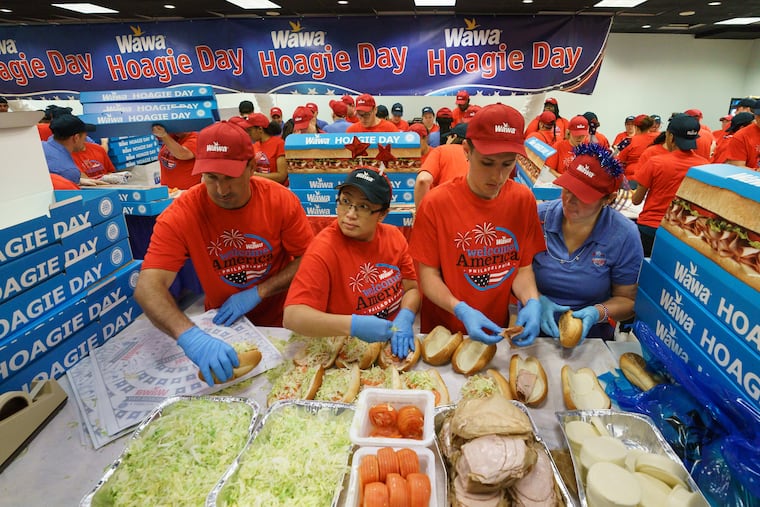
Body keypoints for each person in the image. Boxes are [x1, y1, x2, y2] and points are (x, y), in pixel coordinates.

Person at [134, 120, 314, 386]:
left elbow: (307, 258)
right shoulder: (181, 214)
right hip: (223, 327)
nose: (221, 190)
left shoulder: (280, 200)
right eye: (211, 178)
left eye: (230, 178)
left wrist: (260, 291)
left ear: (252, 167)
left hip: (282, 321)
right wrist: (189, 336)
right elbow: (148, 288)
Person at [409, 103, 544, 346]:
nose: (497, 177)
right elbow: (428, 277)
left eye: (507, 164)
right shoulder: (436, 203)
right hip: (443, 329)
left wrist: (532, 300)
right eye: (487, 163)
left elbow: (522, 269)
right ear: (466, 151)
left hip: (496, 326)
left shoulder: (523, 201)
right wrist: (460, 309)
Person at [283, 167, 420, 358]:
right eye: (346, 201)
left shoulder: (394, 237)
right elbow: (293, 317)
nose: (350, 214)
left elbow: (411, 288)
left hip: (394, 342)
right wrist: (353, 326)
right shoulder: (324, 249)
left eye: (363, 206)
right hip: (347, 351)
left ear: (382, 214)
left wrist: (406, 315)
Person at [534, 143, 643, 342]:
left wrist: (598, 312)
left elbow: (627, 300)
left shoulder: (623, 235)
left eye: (583, 197)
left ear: (608, 199)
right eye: (567, 189)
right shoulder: (538, 218)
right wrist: (535, 299)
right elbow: (514, 272)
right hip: (533, 329)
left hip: (590, 340)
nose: (569, 200)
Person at [632, 114, 709, 256]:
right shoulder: (705, 167)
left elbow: (636, 200)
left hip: (651, 228)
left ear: (670, 136)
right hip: (683, 232)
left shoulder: (655, 162)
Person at [414, 122, 468, 208]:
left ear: (454, 137)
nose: (446, 139)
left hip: (446, 207)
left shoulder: (441, 150)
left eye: (448, 137)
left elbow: (423, 180)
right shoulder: (477, 156)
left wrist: (420, 214)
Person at [232, 113, 288, 185]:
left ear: (260, 129)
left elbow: (282, 176)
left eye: (250, 130)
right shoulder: (254, 146)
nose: (248, 133)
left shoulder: (279, 144)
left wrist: (255, 175)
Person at [42, 113, 98, 186]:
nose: (86, 141)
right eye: (85, 137)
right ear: (76, 138)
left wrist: (79, 180)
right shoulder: (69, 170)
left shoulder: (39, 146)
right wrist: (73, 180)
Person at [153, 125, 200, 189]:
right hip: (167, 191)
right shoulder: (172, 136)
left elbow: (182, 154)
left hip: (186, 193)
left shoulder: (196, 138)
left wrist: (164, 135)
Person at [616, 114, 657, 182]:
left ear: (636, 127)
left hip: (633, 178)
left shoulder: (629, 141)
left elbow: (619, 161)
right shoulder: (658, 138)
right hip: (653, 178)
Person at [725, 100, 760, 170]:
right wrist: (756, 171)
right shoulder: (741, 136)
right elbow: (736, 168)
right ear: (755, 116)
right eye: (759, 116)